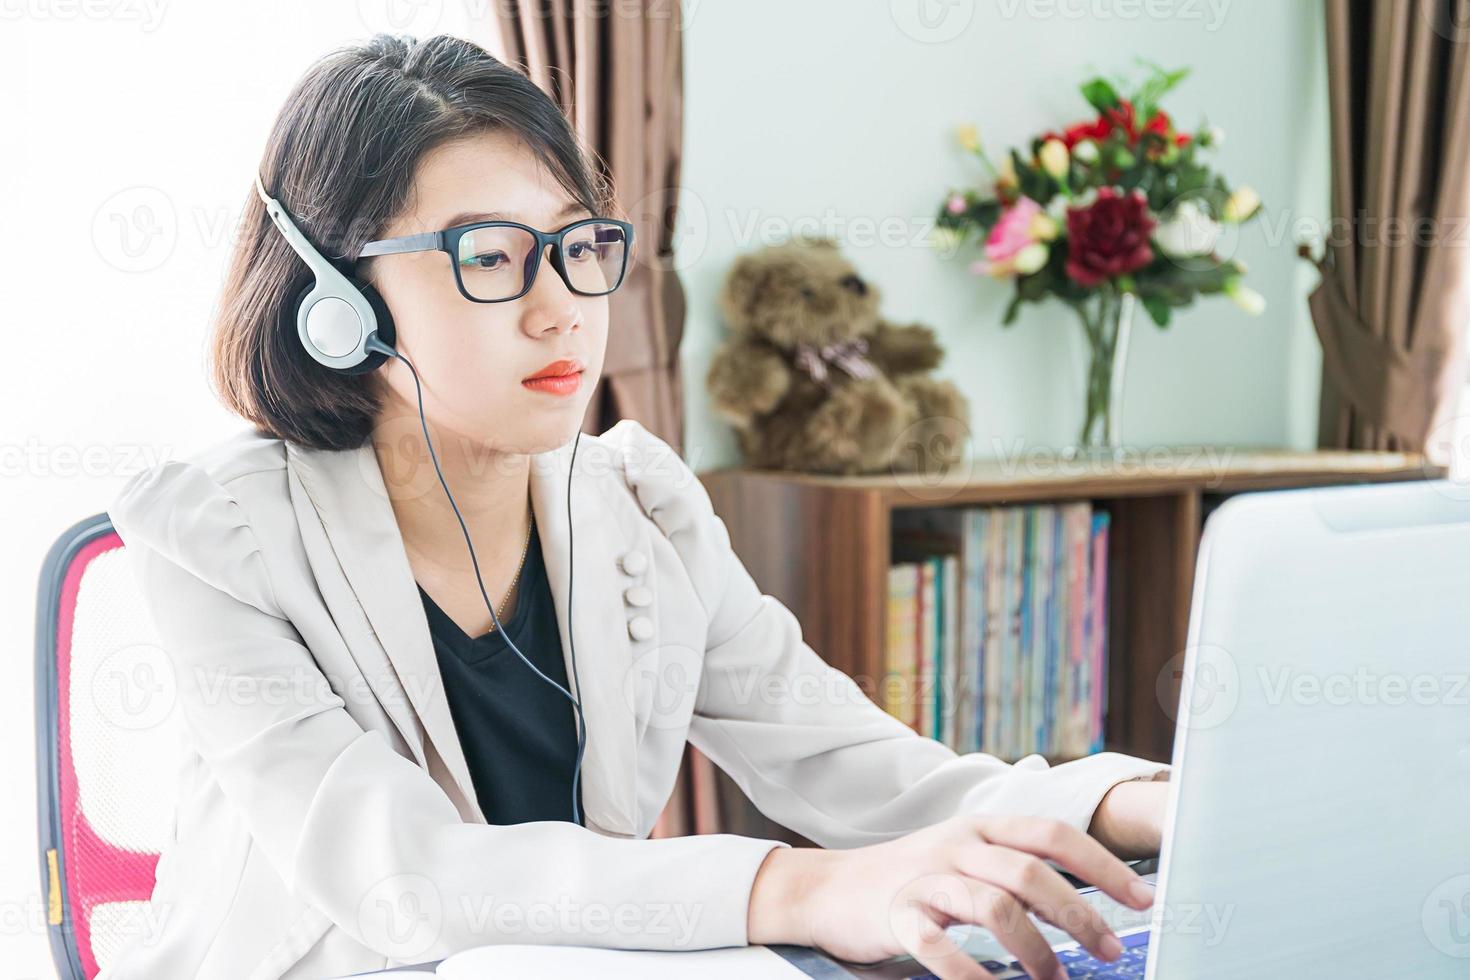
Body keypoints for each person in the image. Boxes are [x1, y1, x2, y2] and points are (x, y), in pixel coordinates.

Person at [103, 32, 1170, 980]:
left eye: (577, 246)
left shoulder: (639, 505)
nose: (561, 306)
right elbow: (403, 874)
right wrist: (798, 888)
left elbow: (857, 766)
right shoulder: (215, 540)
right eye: (487, 257)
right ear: (337, 302)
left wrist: (1127, 804)